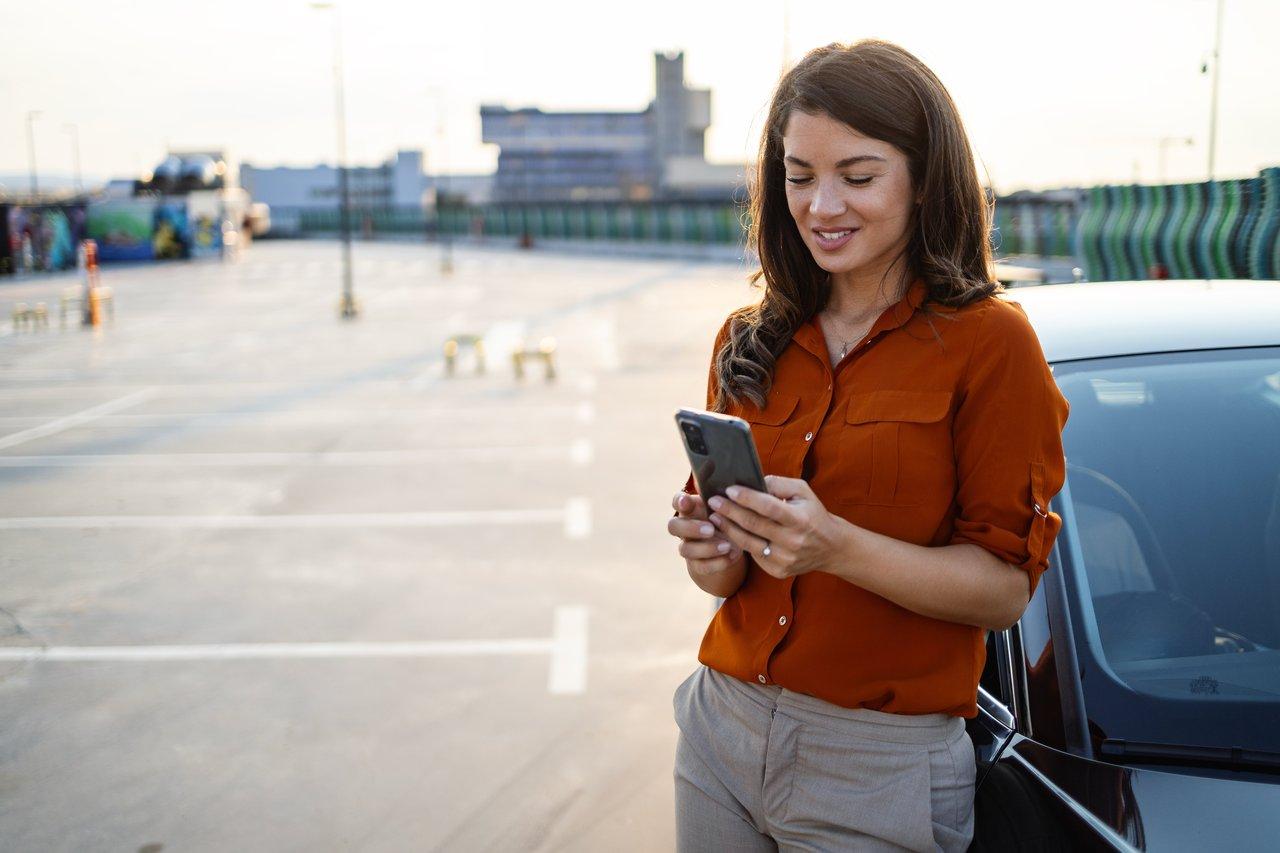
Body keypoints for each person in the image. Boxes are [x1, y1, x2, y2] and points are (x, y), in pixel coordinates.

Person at [665, 39, 1069, 852]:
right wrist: (710, 548)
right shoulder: (747, 341)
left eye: (857, 176)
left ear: (924, 182)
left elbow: (1002, 592)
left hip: (879, 768)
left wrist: (836, 545)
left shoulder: (991, 344)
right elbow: (729, 577)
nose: (820, 206)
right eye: (798, 175)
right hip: (721, 729)